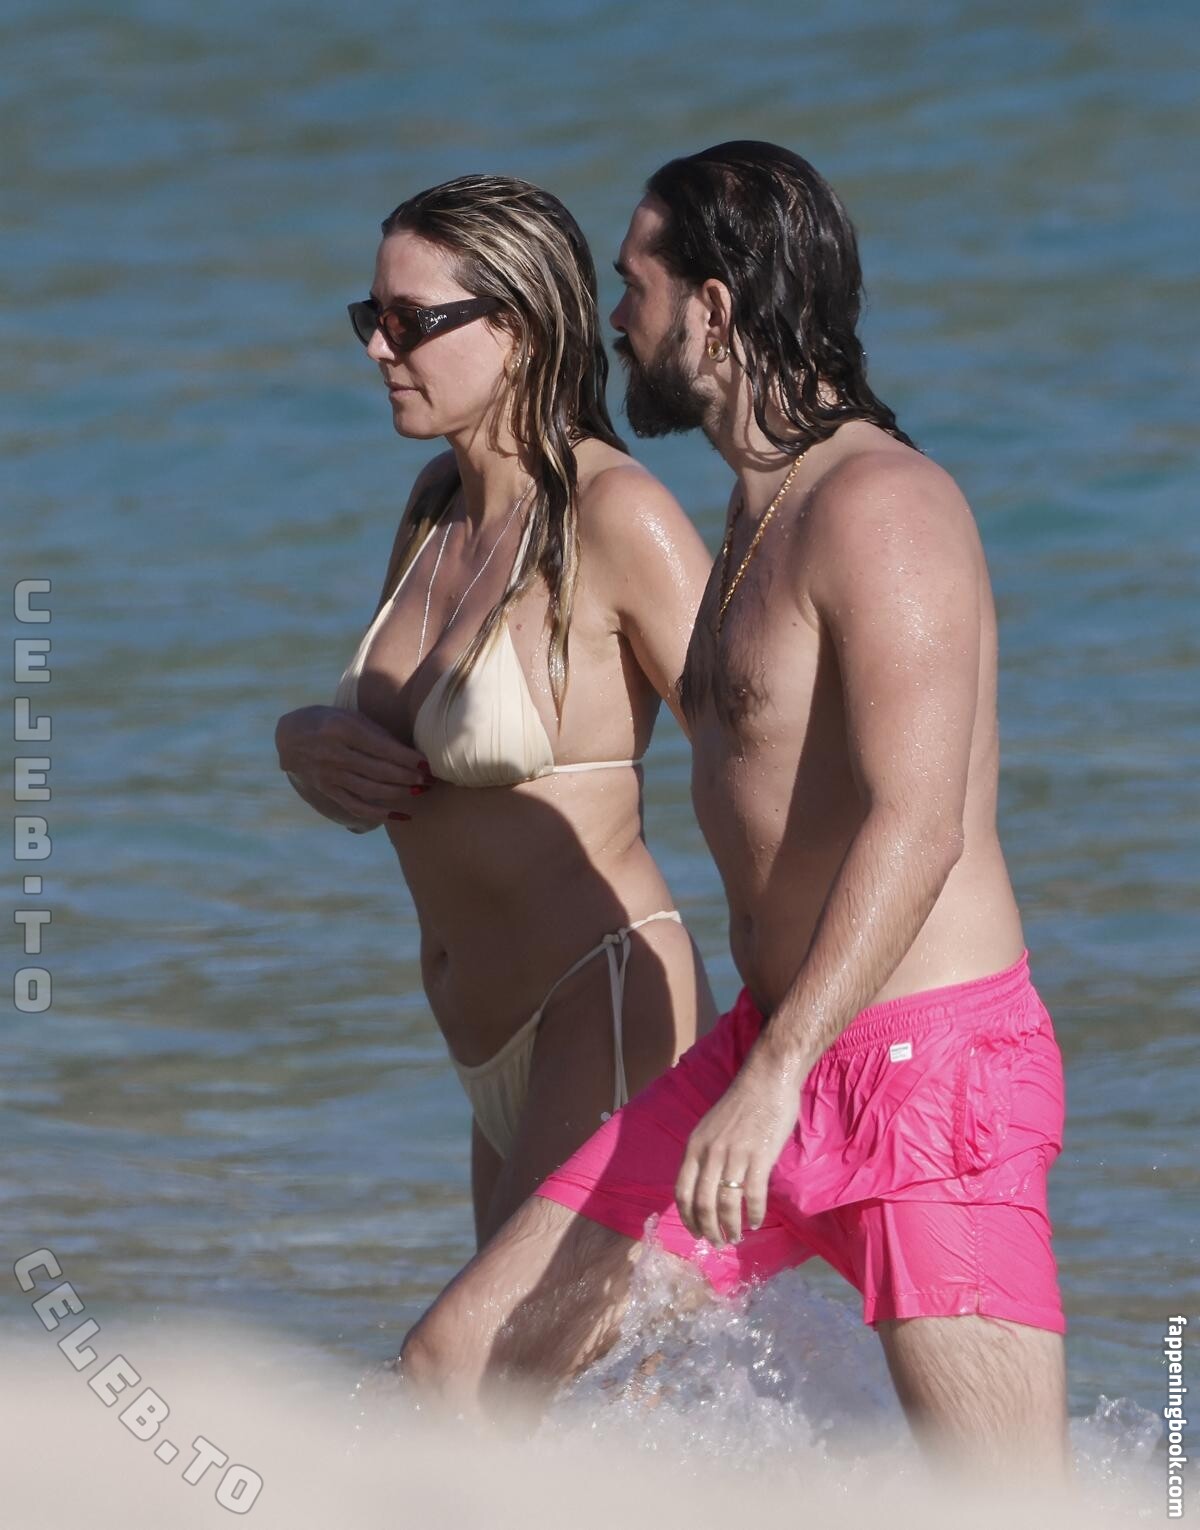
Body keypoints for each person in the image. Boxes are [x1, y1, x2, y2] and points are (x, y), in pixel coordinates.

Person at [394, 144, 1070, 1476]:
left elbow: (918, 823)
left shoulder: (883, 506)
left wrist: (773, 1080)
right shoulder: (758, 513)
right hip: (775, 1047)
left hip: (925, 1082)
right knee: (457, 1372)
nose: (615, 319)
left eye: (633, 284)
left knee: (1007, 1498)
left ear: (712, 307)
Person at [275, 174, 717, 1247]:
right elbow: (402, 755)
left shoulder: (618, 515)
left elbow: (762, 761)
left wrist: (797, 1032)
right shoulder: (434, 505)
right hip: (486, 1048)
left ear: (516, 329)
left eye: (408, 321)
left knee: (470, 1354)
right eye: (369, 316)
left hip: (605, 1009)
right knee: (614, 1362)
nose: (377, 349)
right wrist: (303, 745)